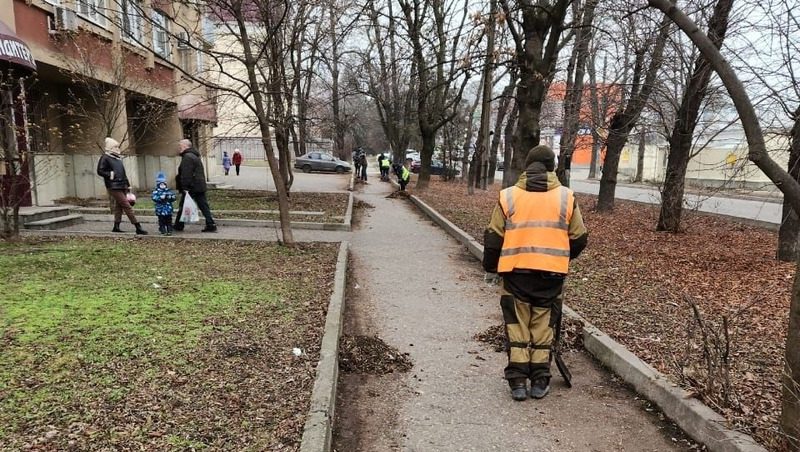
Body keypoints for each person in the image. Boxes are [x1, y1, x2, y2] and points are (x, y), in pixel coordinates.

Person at [482, 145, 588, 402]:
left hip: (516, 274)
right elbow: (579, 237)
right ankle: (540, 378)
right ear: (552, 168)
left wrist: (491, 267)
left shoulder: (508, 196)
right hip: (551, 276)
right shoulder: (566, 197)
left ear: (527, 168)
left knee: (517, 327)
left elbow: (494, 236)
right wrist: (560, 256)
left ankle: (518, 380)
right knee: (543, 327)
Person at [96, 137, 148, 235]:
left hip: (122, 185)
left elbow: (123, 173)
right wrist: (110, 175)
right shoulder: (105, 157)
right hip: (113, 186)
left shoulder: (117, 158)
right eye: (115, 146)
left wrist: (127, 185)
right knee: (126, 205)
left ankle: (116, 226)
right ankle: (138, 226)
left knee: (119, 207)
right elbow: (100, 170)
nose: (117, 148)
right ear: (110, 147)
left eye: (117, 146)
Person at [173, 139, 217, 232]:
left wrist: (185, 187)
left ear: (185, 146)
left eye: (180, 146)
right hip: (199, 186)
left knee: (183, 205)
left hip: (191, 187)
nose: (179, 148)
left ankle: (178, 225)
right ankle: (211, 224)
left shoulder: (187, 157)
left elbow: (186, 174)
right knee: (203, 206)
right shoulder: (194, 156)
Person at [151, 171, 177, 235]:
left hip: (168, 209)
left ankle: (169, 229)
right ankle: (162, 229)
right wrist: (160, 198)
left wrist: (170, 197)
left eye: (164, 184)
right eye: (161, 184)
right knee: (161, 220)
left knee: (169, 220)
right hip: (160, 209)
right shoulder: (156, 192)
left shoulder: (168, 191)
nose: (163, 186)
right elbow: (154, 198)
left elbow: (173, 197)